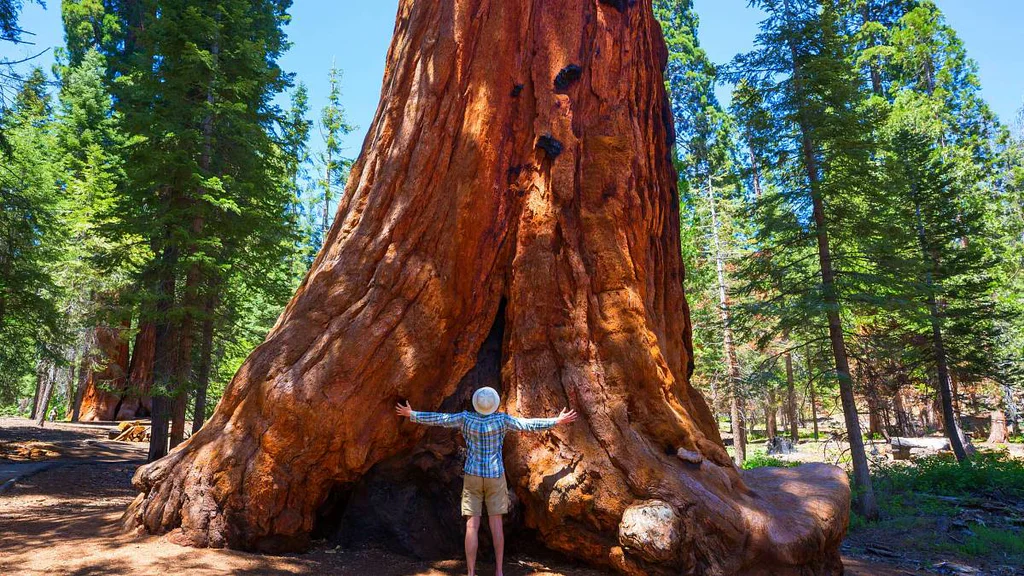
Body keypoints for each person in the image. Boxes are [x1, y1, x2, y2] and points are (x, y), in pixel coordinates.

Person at [395, 387, 577, 576]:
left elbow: (441, 419)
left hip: (473, 475)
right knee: (496, 523)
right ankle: (498, 571)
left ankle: (471, 572)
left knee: (471, 525)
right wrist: (557, 421)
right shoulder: (502, 420)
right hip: (495, 476)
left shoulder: (465, 419)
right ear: (494, 404)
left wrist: (412, 414)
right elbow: (528, 425)